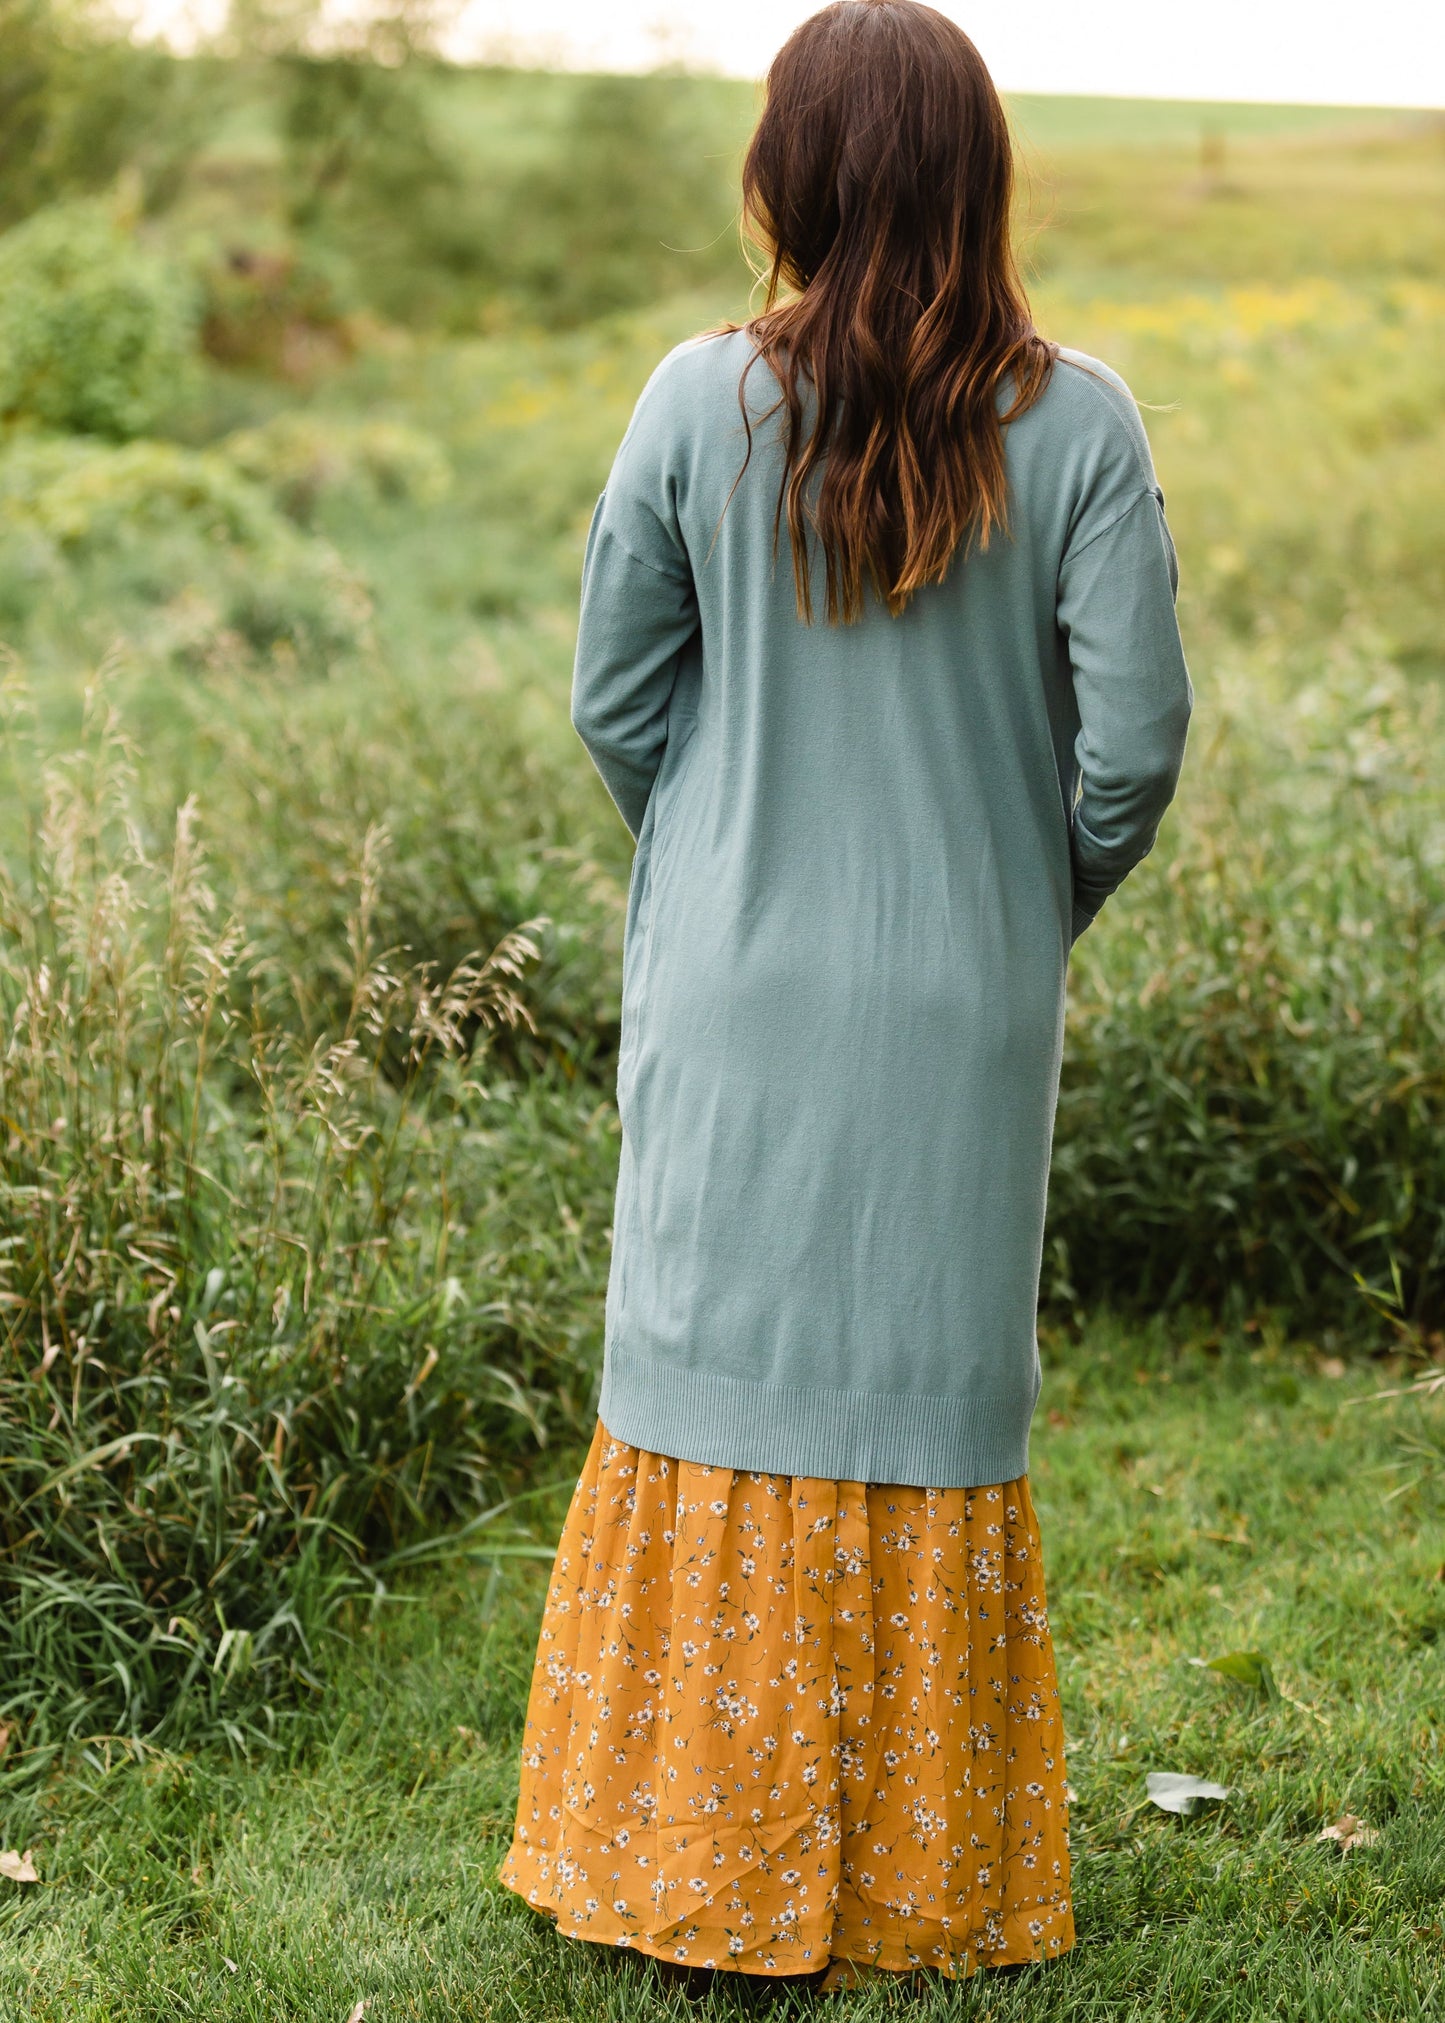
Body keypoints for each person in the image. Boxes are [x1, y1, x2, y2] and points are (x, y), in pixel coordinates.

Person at [499, 0, 1191, 1991]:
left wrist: (716, 845)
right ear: (977, 179)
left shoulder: (688, 400)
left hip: (730, 977)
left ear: (786, 177)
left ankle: (691, 1860)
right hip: (966, 991)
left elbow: (612, 702)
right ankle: (917, 1874)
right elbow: (1132, 748)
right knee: (924, 1392)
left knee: (712, 1369)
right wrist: (1018, 896)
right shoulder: (1086, 424)